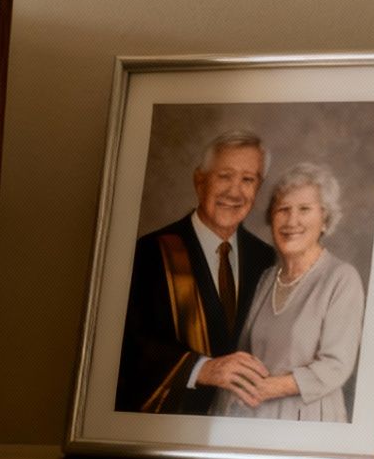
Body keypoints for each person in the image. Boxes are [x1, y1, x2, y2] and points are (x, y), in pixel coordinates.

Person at [115, 130, 278, 414]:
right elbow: (128, 343)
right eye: (224, 176)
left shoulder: (265, 258)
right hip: (171, 424)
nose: (235, 192)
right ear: (200, 181)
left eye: (247, 180)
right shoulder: (152, 252)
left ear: (258, 188)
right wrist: (202, 369)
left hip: (241, 422)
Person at [215, 164, 365, 420]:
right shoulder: (266, 278)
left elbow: (336, 366)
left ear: (325, 220)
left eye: (304, 209)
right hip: (253, 418)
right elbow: (242, 355)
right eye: (283, 209)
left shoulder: (341, 278)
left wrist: (269, 388)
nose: (291, 221)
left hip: (307, 422)